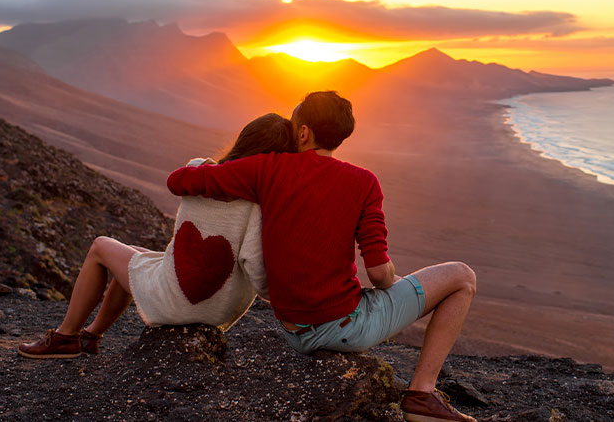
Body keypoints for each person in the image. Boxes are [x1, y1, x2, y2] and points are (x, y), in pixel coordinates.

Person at [166, 91, 478, 422]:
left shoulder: (266, 168)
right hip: (345, 328)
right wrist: (396, 282)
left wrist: (216, 170)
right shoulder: (364, 182)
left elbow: (177, 181)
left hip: (292, 330)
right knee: (461, 277)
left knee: (406, 287)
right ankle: (421, 395)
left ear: (303, 133)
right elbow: (378, 274)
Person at [17, 113, 297, 359]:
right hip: (219, 312)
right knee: (136, 255)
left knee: (101, 246)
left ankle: (66, 337)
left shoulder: (199, 169)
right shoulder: (259, 205)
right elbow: (258, 272)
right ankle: (91, 335)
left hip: (177, 303)